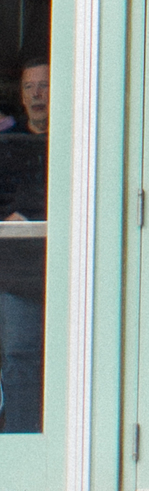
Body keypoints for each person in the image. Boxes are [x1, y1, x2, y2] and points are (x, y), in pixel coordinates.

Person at [0, 54, 49, 436]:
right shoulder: (8, 144)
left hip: (69, 267)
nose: (37, 94)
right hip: (17, 273)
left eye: (45, 84)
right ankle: (21, 446)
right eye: (29, 86)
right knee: (19, 357)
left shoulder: (78, 144)